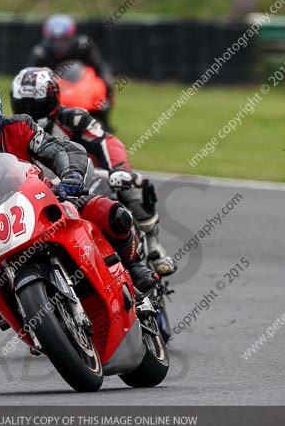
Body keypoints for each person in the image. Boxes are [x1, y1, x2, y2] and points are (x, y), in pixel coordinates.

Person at [0, 79, 158, 326]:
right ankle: (34, 319)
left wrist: (71, 174)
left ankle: (133, 267)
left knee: (112, 213)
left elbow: (59, 150)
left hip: (40, 202)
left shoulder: (20, 127)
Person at [10, 67, 176, 276]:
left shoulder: (74, 119)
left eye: (37, 105)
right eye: (23, 105)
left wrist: (118, 170)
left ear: (53, 101)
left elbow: (107, 142)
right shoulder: (14, 132)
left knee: (134, 185)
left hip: (89, 184)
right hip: (44, 197)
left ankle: (153, 248)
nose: (31, 112)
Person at [28, 14, 114, 96]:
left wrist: (107, 83)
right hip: (55, 93)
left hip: (84, 90)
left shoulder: (83, 46)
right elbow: (32, 80)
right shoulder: (41, 53)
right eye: (56, 40)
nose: (59, 44)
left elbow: (100, 67)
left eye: (62, 40)